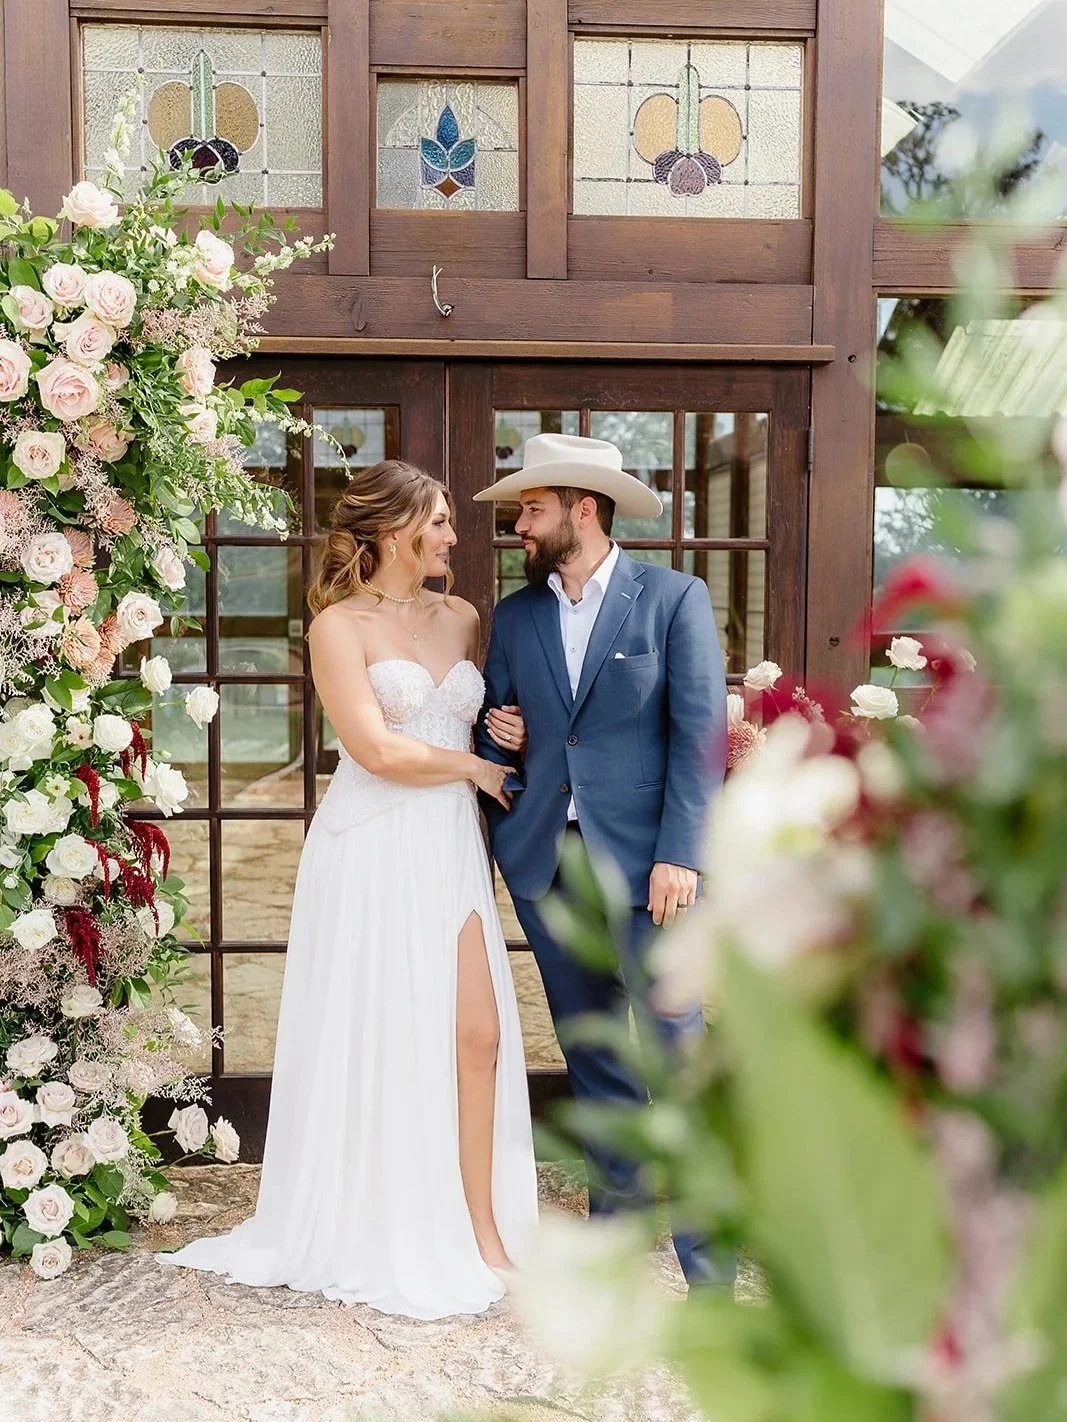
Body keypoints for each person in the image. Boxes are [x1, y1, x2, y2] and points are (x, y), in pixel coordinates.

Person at [159, 460, 539, 1319]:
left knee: (474, 1034)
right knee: (386, 1033)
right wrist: (477, 764)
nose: (451, 535)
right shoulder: (337, 626)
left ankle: (482, 1228)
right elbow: (375, 750)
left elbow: (466, 713)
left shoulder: (465, 617)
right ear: (393, 529)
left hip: (446, 842)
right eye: (439, 521)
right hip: (371, 843)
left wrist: (498, 726)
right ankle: (382, 1220)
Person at [472, 432, 732, 1288]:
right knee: (596, 1062)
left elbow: (699, 739)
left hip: (653, 870)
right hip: (550, 865)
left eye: (531, 509)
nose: (519, 525)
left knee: (678, 1058)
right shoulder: (515, 616)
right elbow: (501, 727)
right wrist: (495, 730)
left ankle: (708, 1272)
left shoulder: (672, 598)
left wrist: (679, 858)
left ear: (582, 510)